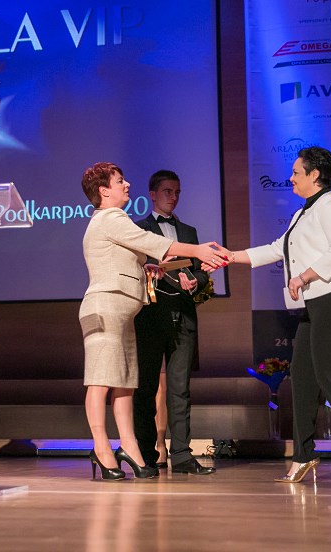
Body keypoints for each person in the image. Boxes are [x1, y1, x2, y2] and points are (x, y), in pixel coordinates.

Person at [222, 147, 331, 487]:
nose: (291, 178)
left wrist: (303, 277)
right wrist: (231, 256)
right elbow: (277, 248)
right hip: (314, 304)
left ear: (315, 175)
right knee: (302, 378)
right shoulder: (304, 213)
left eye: (296, 173)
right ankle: (303, 455)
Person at [79, 162, 230, 480]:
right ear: (104, 191)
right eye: (120, 181)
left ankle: (130, 447)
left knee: (124, 384)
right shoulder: (110, 217)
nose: (127, 185)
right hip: (106, 307)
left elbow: (132, 260)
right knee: (100, 381)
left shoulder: (113, 220)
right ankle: (101, 449)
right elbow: (156, 244)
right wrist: (199, 251)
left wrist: (150, 268)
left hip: (123, 312)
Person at [133, 170, 215, 475]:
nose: (173, 197)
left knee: (180, 389)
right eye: (167, 191)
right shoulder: (138, 229)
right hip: (150, 317)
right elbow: (133, 268)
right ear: (153, 194)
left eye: (177, 192)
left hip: (183, 316)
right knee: (146, 388)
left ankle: (182, 455)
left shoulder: (189, 231)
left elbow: (201, 271)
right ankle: (145, 455)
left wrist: (195, 281)